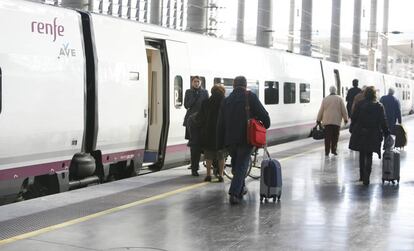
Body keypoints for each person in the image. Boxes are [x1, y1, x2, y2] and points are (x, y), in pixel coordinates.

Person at [217, 76, 270, 205]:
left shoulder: (226, 100)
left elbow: (220, 123)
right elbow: (264, 115)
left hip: (229, 140)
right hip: (245, 138)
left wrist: (220, 142)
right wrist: (265, 125)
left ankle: (241, 189)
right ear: (245, 85)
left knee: (237, 164)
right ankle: (234, 193)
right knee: (242, 165)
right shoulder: (250, 97)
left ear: (234, 86)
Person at [349, 86, 390, 185]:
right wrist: (387, 133)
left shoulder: (359, 104)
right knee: (369, 154)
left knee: (362, 154)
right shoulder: (379, 106)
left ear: (365, 94)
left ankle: (362, 176)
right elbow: (383, 121)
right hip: (373, 133)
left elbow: (354, 117)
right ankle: (367, 176)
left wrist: (352, 128)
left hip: (361, 132)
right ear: (374, 94)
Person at [198, 84, 226, 182]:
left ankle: (208, 175)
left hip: (208, 132)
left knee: (208, 155)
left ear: (212, 91)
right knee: (221, 155)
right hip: (221, 133)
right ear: (223, 92)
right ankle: (221, 175)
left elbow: (200, 118)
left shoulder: (206, 102)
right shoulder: (225, 102)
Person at [183, 76, 208, 176]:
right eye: (194, 81)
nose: (196, 83)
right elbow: (186, 105)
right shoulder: (188, 92)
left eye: (198, 81)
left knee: (198, 144)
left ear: (201, 82)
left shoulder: (204, 92)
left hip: (202, 121)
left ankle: (196, 164)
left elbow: (207, 104)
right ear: (192, 82)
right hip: (191, 121)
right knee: (193, 144)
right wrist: (195, 97)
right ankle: (194, 166)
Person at [317, 86, 348, 156]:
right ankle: (334, 150)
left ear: (329, 91)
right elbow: (344, 110)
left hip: (327, 121)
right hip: (336, 121)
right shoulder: (340, 99)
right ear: (335, 91)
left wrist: (318, 120)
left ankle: (327, 151)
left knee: (327, 137)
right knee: (335, 136)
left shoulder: (325, 99)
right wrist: (346, 119)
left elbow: (321, 110)